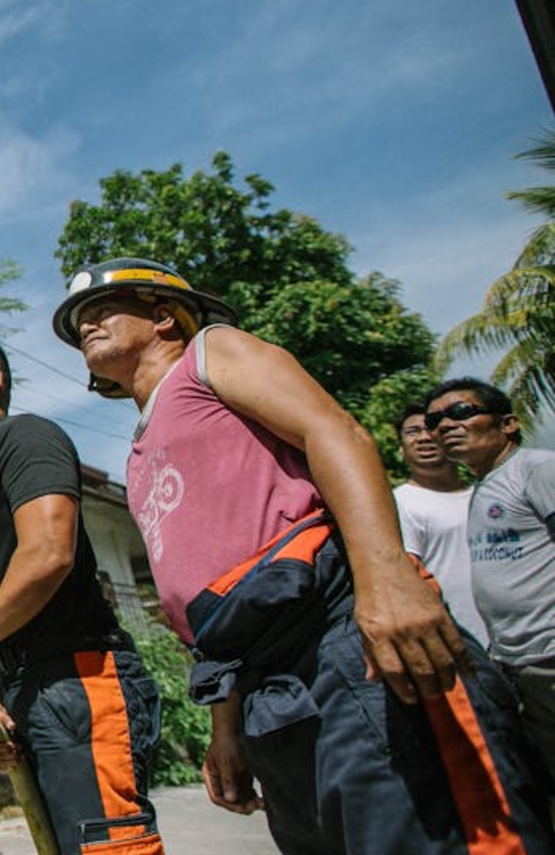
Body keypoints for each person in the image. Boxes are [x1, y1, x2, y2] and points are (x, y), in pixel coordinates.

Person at [53, 257, 553, 855]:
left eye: (102, 309)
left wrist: (387, 576)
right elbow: (207, 600)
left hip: (340, 641)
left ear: (164, 316)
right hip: (263, 681)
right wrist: (225, 725)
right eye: (80, 319)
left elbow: (333, 431)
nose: (87, 324)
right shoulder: (138, 454)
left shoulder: (213, 353)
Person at [0, 336, 164, 855]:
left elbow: (50, 553)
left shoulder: (26, 437)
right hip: (23, 689)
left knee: (107, 846)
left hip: (80, 676)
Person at [426, 377, 555, 766]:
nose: (446, 426)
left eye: (461, 412)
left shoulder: (537, 469)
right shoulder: (483, 487)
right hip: (518, 663)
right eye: (435, 422)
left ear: (508, 424)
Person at [393, 403, 486, 646]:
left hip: (522, 642)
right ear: (401, 449)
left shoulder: (487, 494)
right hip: (458, 644)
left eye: (430, 429)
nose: (424, 437)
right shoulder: (396, 504)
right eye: (412, 432)